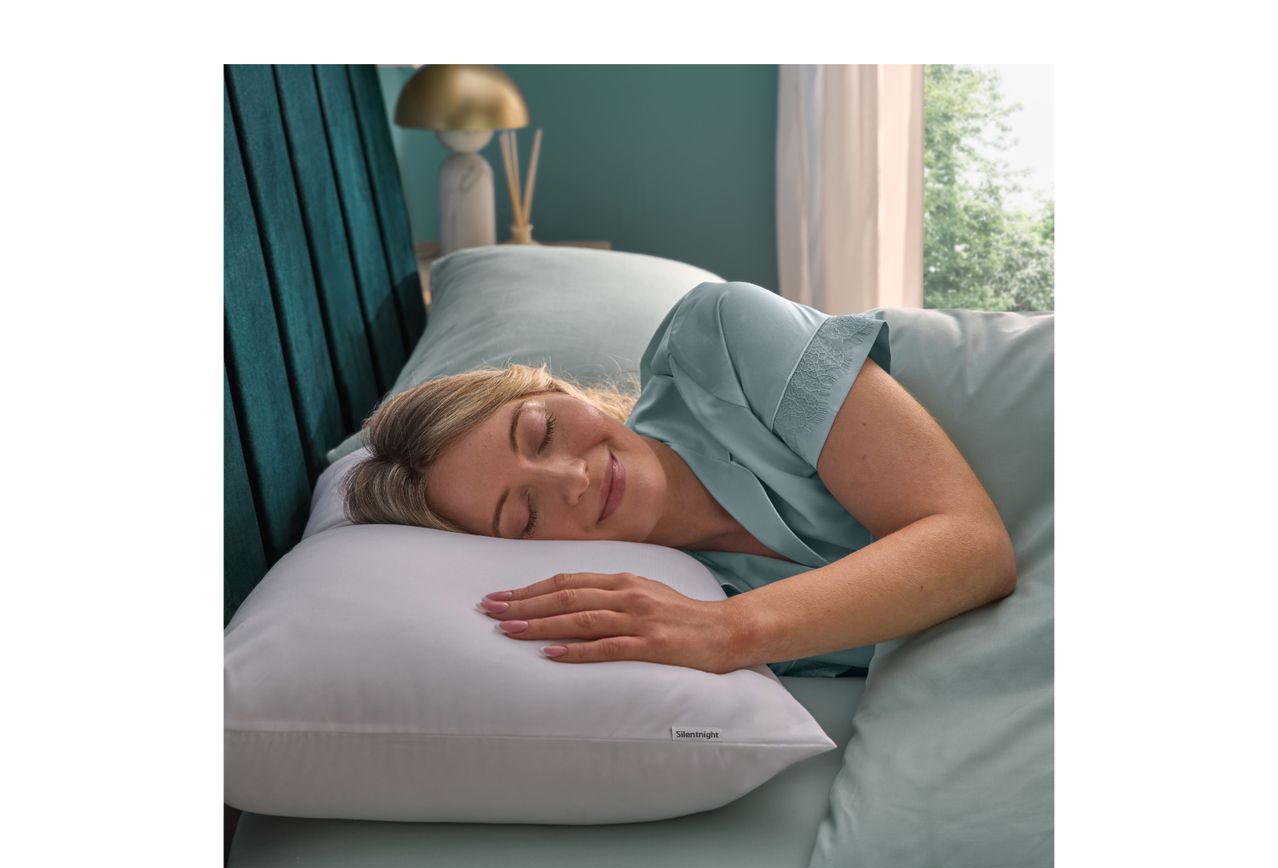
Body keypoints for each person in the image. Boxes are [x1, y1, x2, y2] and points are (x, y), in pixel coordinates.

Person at [342, 281, 1016, 676]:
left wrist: (731, 630)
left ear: (554, 386)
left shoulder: (720, 335)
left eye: (541, 430)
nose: (572, 478)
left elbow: (973, 546)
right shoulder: (662, 602)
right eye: (525, 515)